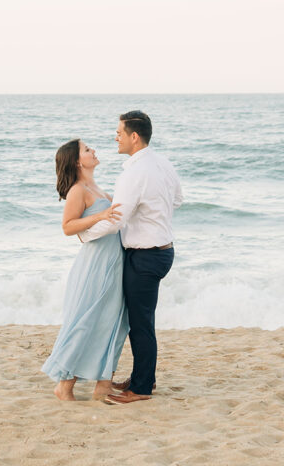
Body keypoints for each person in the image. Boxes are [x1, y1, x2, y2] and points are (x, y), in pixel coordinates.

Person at [80, 110, 182, 405]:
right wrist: (152, 213)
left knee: (140, 324)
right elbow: (177, 200)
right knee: (142, 319)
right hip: (163, 251)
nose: (116, 137)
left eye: (119, 132)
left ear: (134, 137)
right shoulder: (162, 163)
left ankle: (140, 389)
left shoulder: (134, 172)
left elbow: (116, 220)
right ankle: (144, 377)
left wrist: (85, 235)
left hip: (146, 256)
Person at [41, 139, 128, 401]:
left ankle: (103, 383)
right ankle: (64, 385)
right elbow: (68, 227)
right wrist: (100, 216)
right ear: (78, 161)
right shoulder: (78, 190)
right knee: (86, 322)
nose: (93, 151)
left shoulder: (97, 187)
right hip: (95, 265)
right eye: (87, 150)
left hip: (114, 260)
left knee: (112, 322)